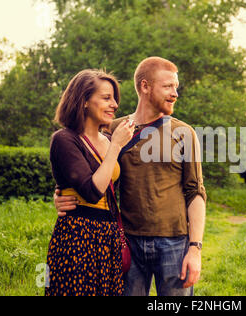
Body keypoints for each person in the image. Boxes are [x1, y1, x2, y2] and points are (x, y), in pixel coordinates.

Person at [54, 57, 207, 296]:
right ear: (145, 87)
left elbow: (195, 192)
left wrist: (195, 249)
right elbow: (82, 167)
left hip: (174, 244)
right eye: (168, 86)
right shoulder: (111, 130)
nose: (175, 93)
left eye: (176, 87)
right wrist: (63, 196)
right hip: (127, 242)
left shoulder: (184, 133)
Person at [46, 69, 135, 296]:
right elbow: (92, 191)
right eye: (106, 98)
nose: (114, 104)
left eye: (114, 98)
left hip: (108, 236)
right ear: (84, 101)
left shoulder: (107, 138)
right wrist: (115, 146)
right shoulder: (65, 139)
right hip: (77, 236)